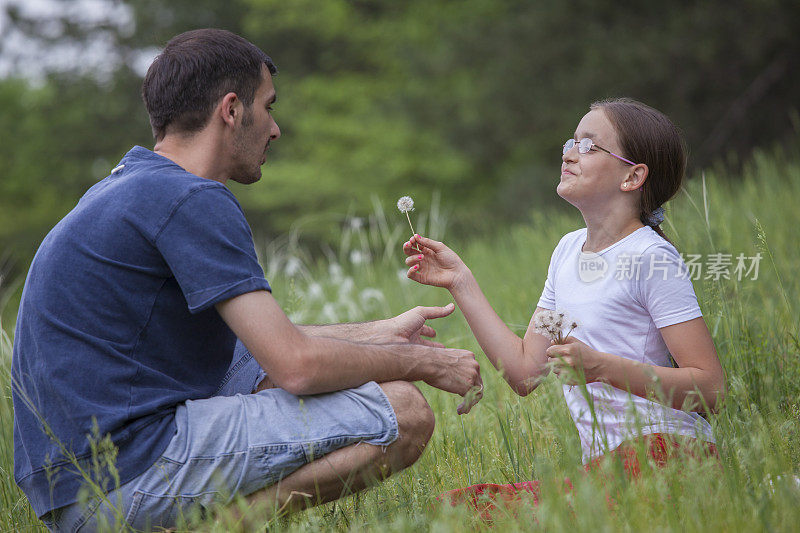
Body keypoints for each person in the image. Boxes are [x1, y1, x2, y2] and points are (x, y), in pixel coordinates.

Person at [12, 28, 482, 531]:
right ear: (232, 110)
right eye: (269, 106)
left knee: (278, 374)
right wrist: (420, 363)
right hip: (128, 473)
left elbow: (255, 356)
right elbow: (296, 366)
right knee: (402, 412)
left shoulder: (125, 189)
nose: (275, 129)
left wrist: (381, 334)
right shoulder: (191, 198)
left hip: (72, 491)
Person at [403, 98, 725, 492]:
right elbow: (525, 371)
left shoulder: (650, 258)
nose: (570, 154)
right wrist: (461, 280)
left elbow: (710, 389)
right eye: (570, 143)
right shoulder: (568, 254)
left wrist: (602, 367)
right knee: (463, 508)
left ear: (632, 177)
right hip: (608, 468)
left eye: (588, 145)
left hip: (667, 454)